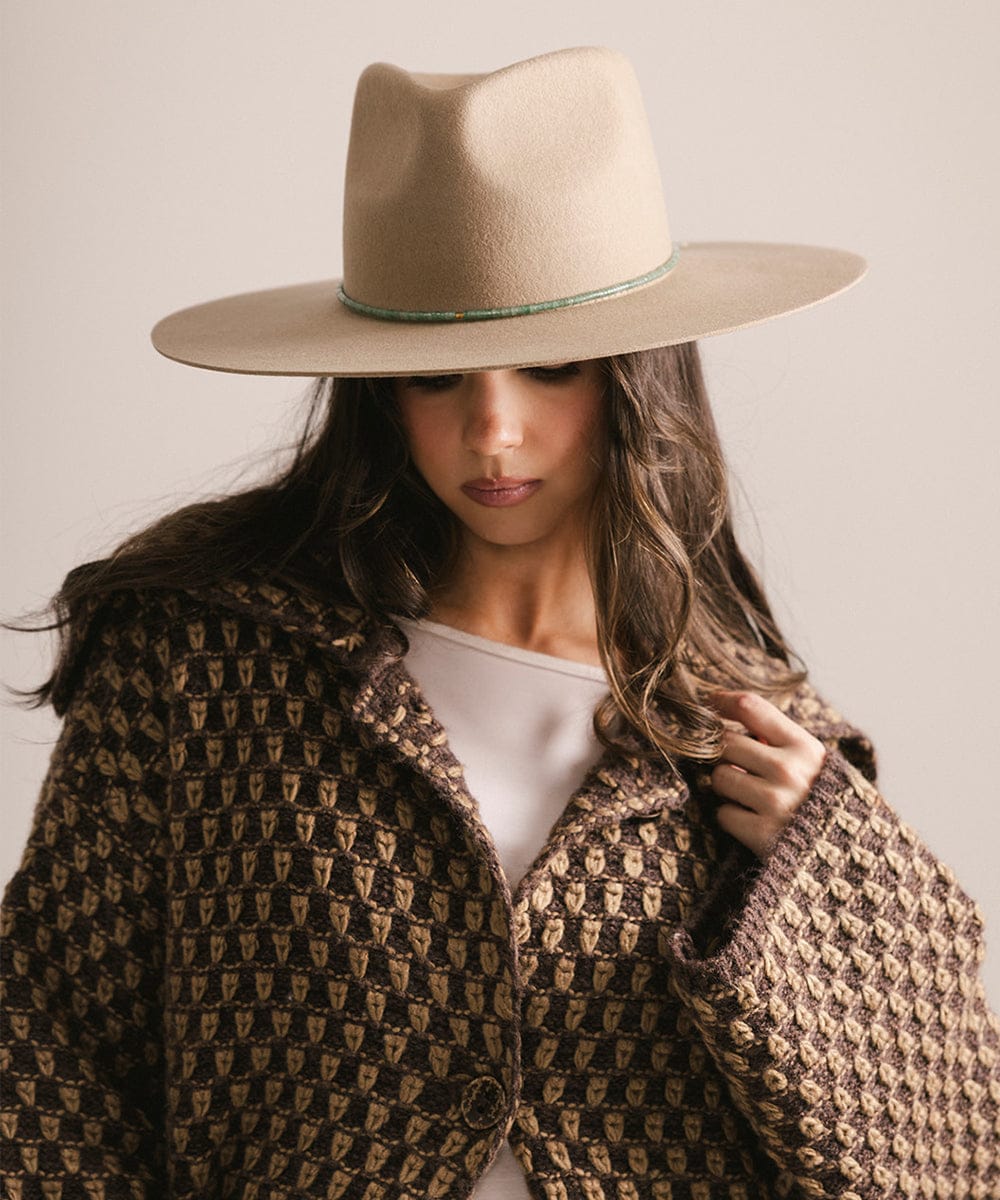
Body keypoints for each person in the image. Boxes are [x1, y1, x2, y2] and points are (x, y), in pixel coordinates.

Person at [2, 44, 997, 1200]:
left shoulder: (755, 743)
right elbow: (47, 1053)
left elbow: (945, 1164)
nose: (493, 432)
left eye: (551, 368)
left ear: (637, 379)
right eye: (437, 378)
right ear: (377, 393)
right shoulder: (203, 663)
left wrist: (838, 871)